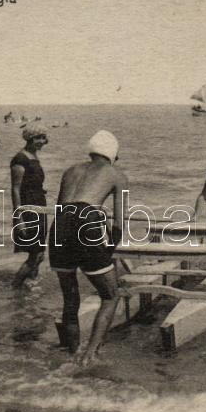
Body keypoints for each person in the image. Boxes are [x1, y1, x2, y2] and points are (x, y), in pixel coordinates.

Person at [48, 130, 127, 366]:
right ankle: (90, 355)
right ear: (112, 155)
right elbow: (119, 224)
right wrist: (108, 252)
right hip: (86, 219)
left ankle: (72, 355)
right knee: (111, 295)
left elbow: (64, 208)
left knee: (70, 298)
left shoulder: (70, 171)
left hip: (60, 222)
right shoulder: (116, 174)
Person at [10, 123, 50, 289]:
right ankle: (15, 287)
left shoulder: (33, 156)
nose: (42, 141)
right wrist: (18, 218)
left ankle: (31, 286)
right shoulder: (20, 159)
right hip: (27, 210)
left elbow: (32, 183)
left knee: (39, 253)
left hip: (39, 207)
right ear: (29, 138)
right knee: (36, 255)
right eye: (38, 138)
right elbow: (15, 189)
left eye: (43, 138)